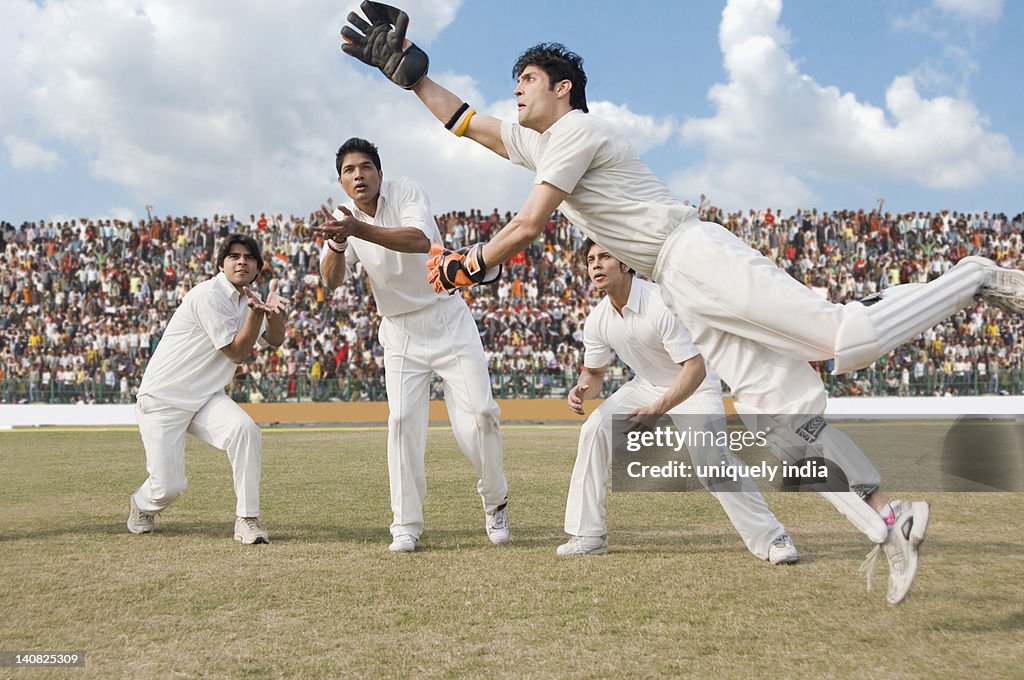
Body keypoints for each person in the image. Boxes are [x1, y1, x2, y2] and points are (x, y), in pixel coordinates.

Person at [339, 6, 1024, 603]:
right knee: (782, 429)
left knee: (844, 340)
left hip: (695, 255)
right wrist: (411, 77)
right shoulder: (541, 138)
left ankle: (971, 273)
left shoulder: (579, 132)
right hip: (681, 284)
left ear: (563, 89)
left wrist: (472, 264)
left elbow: (528, 224)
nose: (514, 90)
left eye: (526, 80)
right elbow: (469, 125)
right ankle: (891, 521)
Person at [314, 137, 509, 553]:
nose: (358, 175)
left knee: (481, 416)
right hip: (399, 330)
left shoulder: (405, 190)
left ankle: (495, 501)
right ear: (341, 181)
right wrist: (338, 242)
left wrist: (356, 229)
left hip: (445, 315)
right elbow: (330, 280)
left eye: (366, 167)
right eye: (349, 171)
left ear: (380, 174)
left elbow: (420, 240)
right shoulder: (343, 218)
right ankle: (406, 524)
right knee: (402, 423)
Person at [562, 240, 799, 564]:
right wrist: (582, 390)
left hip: (695, 387)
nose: (596, 265)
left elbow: (696, 368)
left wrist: (657, 410)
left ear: (626, 264)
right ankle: (588, 535)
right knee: (594, 430)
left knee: (712, 463)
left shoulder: (660, 303)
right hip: (647, 386)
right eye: (590, 260)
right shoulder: (598, 320)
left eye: (605, 257)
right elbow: (595, 373)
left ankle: (773, 538)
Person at [127, 234, 289, 544]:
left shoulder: (251, 300)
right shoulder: (207, 295)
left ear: (258, 269)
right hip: (165, 398)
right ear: (221, 264)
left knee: (246, 430)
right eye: (234, 256)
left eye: (249, 258)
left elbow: (276, 339)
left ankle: (247, 519)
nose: (242, 261)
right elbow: (237, 353)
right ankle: (141, 503)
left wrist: (274, 314)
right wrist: (257, 314)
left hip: (205, 398)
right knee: (168, 487)